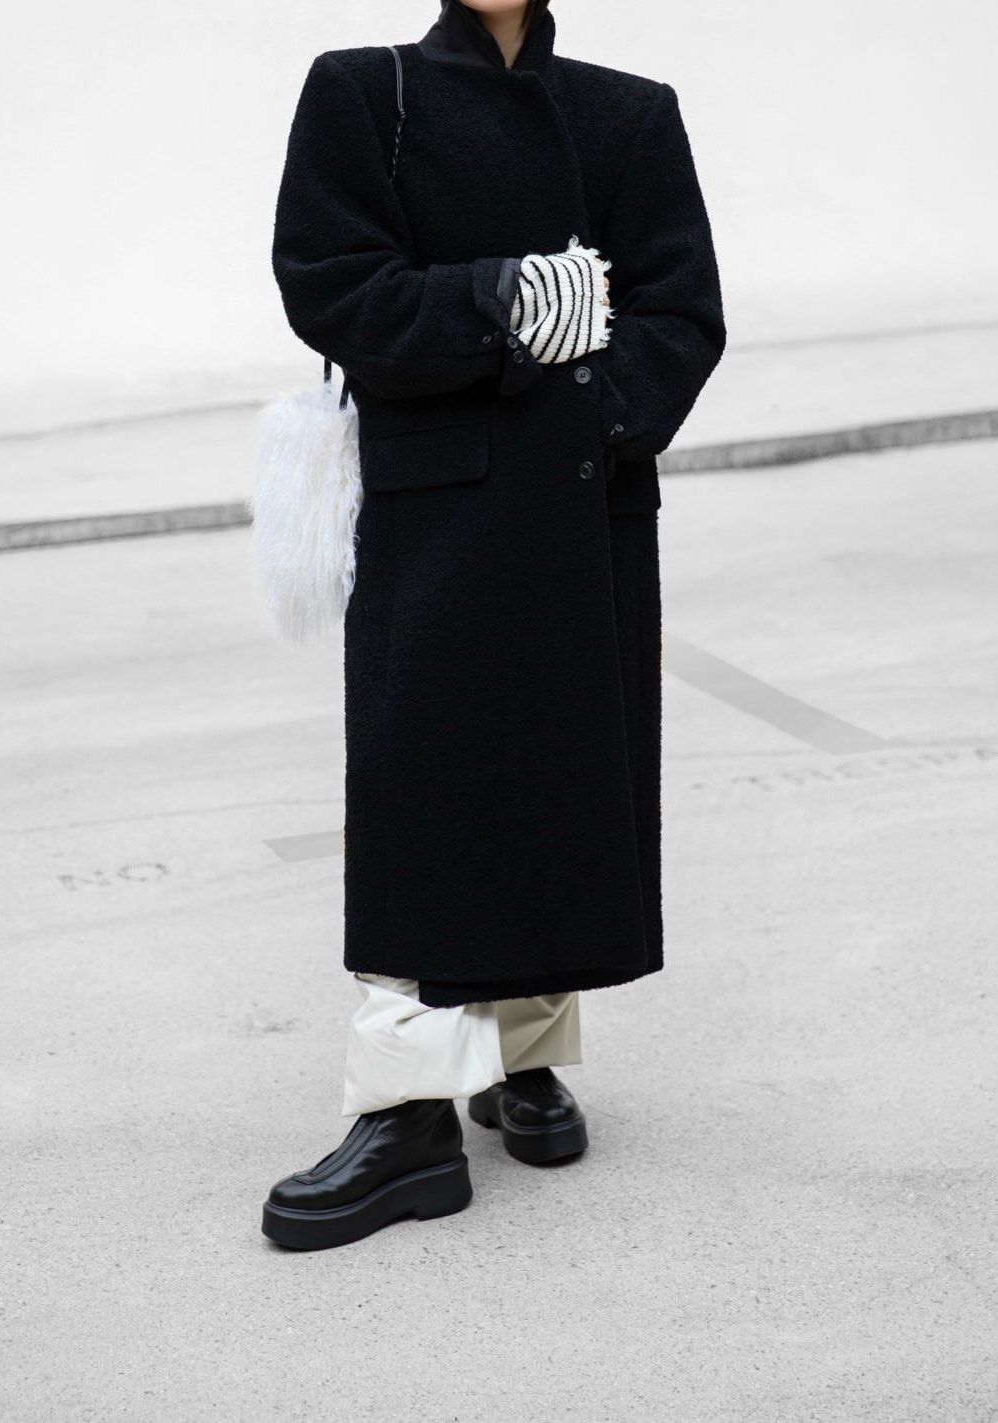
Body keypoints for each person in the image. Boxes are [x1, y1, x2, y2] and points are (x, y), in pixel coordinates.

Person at [262, 0, 725, 1250]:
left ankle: (524, 1056)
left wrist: (586, 413)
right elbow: (334, 287)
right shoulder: (363, 92)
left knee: (557, 783)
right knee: (423, 799)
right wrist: (516, 300)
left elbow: (679, 314)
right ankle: (408, 1120)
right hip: (434, 514)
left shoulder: (626, 113)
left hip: (583, 506)